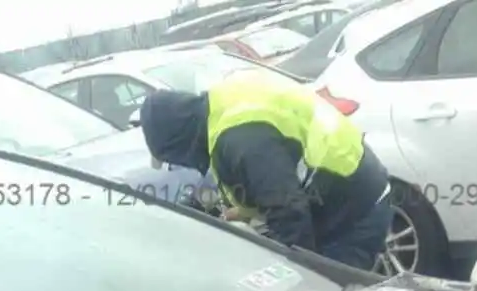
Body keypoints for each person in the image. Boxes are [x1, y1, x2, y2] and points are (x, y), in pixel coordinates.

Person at [139, 70, 393, 271]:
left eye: (175, 158)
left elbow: (289, 212)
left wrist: (301, 279)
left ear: (178, 142)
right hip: (346, 188)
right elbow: (273, 175)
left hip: (355, 211)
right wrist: (242, 211)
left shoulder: (238, 139)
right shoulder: (224, 103)